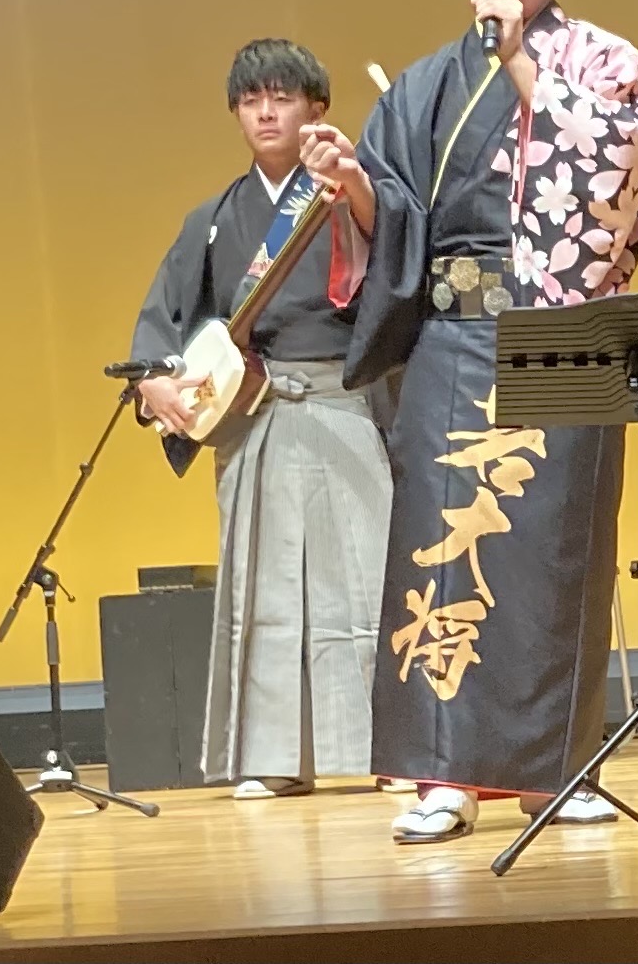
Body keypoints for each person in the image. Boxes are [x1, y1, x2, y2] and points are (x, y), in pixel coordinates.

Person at [299, 0, 638, 844]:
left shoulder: (601, 59)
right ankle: (443, 776)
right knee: (441, 557)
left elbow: (610, 166)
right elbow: (396, 217)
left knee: (551, 560)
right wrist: (353, 185)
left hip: (557, 333)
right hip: (452, 339)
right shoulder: (423, 85)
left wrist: (518, 62)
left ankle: (556, 767)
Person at [126, 40, 387, 798]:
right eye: (251, 100)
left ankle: (390, 749)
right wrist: (154, 382)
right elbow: (161, 326)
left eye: (282, 97)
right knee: (263, 594)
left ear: (317, 107)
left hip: (342, 403)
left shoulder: (348, 197)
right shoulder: (211, 221)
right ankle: (274, 757)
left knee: (367, 581)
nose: (266, 112)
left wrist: (356, 188)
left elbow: (399, 271)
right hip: (256, 413)